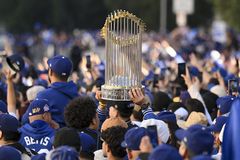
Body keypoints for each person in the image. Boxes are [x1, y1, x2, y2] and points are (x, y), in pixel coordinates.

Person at [23, 55, 78, 127]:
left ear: (50, 72)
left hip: (54, 137)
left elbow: (25, 120)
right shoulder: (78, 96)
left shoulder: (43, 95)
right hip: (75, 137)